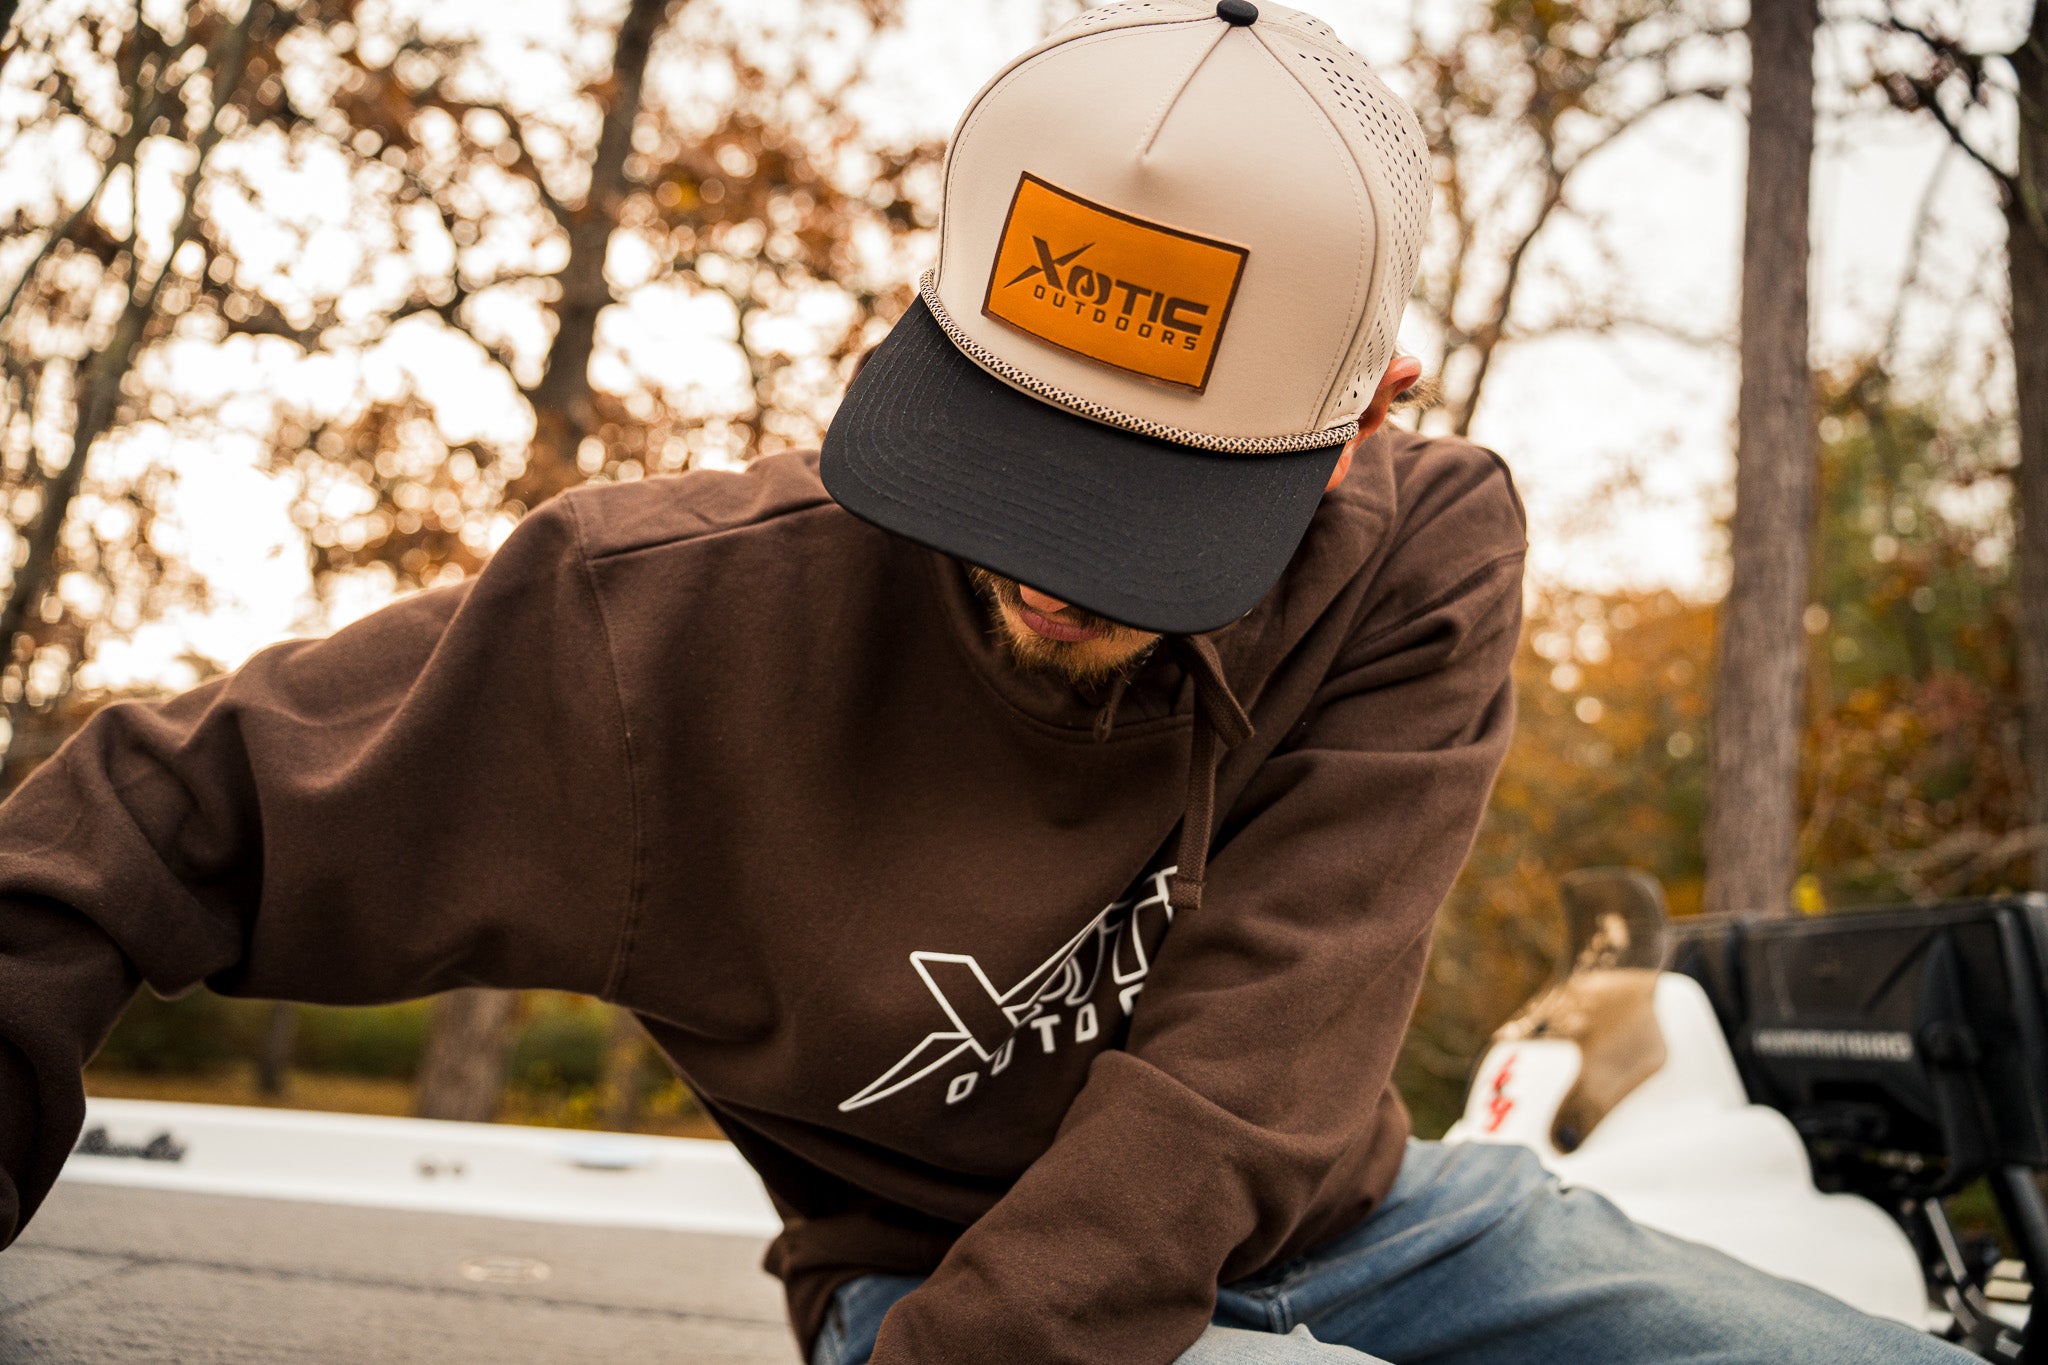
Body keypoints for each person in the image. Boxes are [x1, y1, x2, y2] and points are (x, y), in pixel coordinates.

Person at [0, 3, 1978, 1364]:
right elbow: (144, 823)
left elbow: (1244, 1073)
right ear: (940, 325)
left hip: (1366, 1219)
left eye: (1151, 501)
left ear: (1360, 421)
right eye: (1016, 450)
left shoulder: (1422, 552)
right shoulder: (655, 628)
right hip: (935, 1283)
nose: (1052, 567)